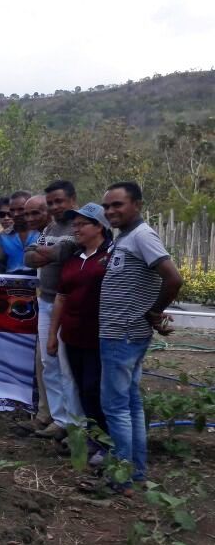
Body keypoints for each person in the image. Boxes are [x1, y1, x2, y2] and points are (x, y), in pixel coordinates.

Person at [99, 182, 182, 490]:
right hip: (121, 333)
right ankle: (135, 472)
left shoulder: (143, 236)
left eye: (117, 205)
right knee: (130, 404)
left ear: (137, 205)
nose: (110, 212)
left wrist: (154, 311)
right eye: (107, 206)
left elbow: (173, 279)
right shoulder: (126, 238)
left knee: (116, 406)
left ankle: (120, 478)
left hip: (123, 334)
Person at [48, 203, 111, 460]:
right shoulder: (74, 259)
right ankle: (91, 438)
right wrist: (54, 334)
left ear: (99, 226)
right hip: (72, 335)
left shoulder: (110, 257)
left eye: (82, 224)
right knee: (81, 389)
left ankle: (107, 442)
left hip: (98, 336)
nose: (76, 229)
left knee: (95, 388)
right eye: (75, 225)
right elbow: (61, 297)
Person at [24, 180, 81, 437]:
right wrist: (52, 252)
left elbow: (66, 251)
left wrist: (48, 252)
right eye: (52, 203)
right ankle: (58, 419)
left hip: (68, 303)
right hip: (45, 301)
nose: (56, 206)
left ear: (72, 200)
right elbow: (29, 257)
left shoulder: (79, 225)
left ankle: (74, 422)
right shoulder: (50, 228)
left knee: (67, 364)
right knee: (49, 362)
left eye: (59, 201)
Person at [0, 191, 39, 274]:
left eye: (21, 209)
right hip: (11, 285)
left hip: (39, 285)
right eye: (12, 210)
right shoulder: (3, 236)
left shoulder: (42, 232)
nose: (16, 214)